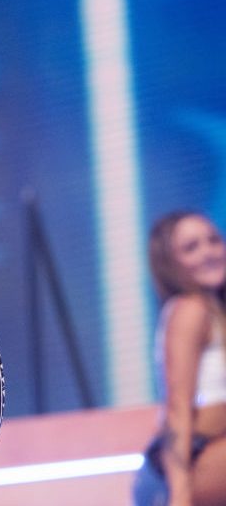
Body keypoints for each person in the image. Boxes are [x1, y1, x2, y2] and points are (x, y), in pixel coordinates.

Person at [134, 211, 226, 506]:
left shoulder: (214, 310)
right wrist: (181, 497)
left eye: (213, 240)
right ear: (169, 264)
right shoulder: (190, 309)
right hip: (183, 469)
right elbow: (177, 408)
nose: (208, 252)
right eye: (191, 248)